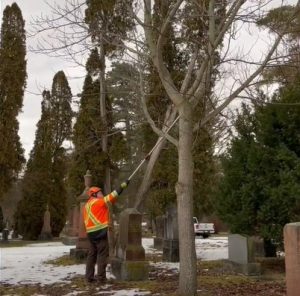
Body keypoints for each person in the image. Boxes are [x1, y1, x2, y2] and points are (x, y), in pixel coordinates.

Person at [83, 180, 129, 283]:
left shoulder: (87, 205)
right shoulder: (99, 202)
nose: (102, 194)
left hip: (90, 234)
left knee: (92, 255)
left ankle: (89, 277)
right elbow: (113, 195)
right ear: (94, 194)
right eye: (100, 193)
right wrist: (122, 185)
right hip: (100, 233)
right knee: (102, 254)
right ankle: (101, 278)